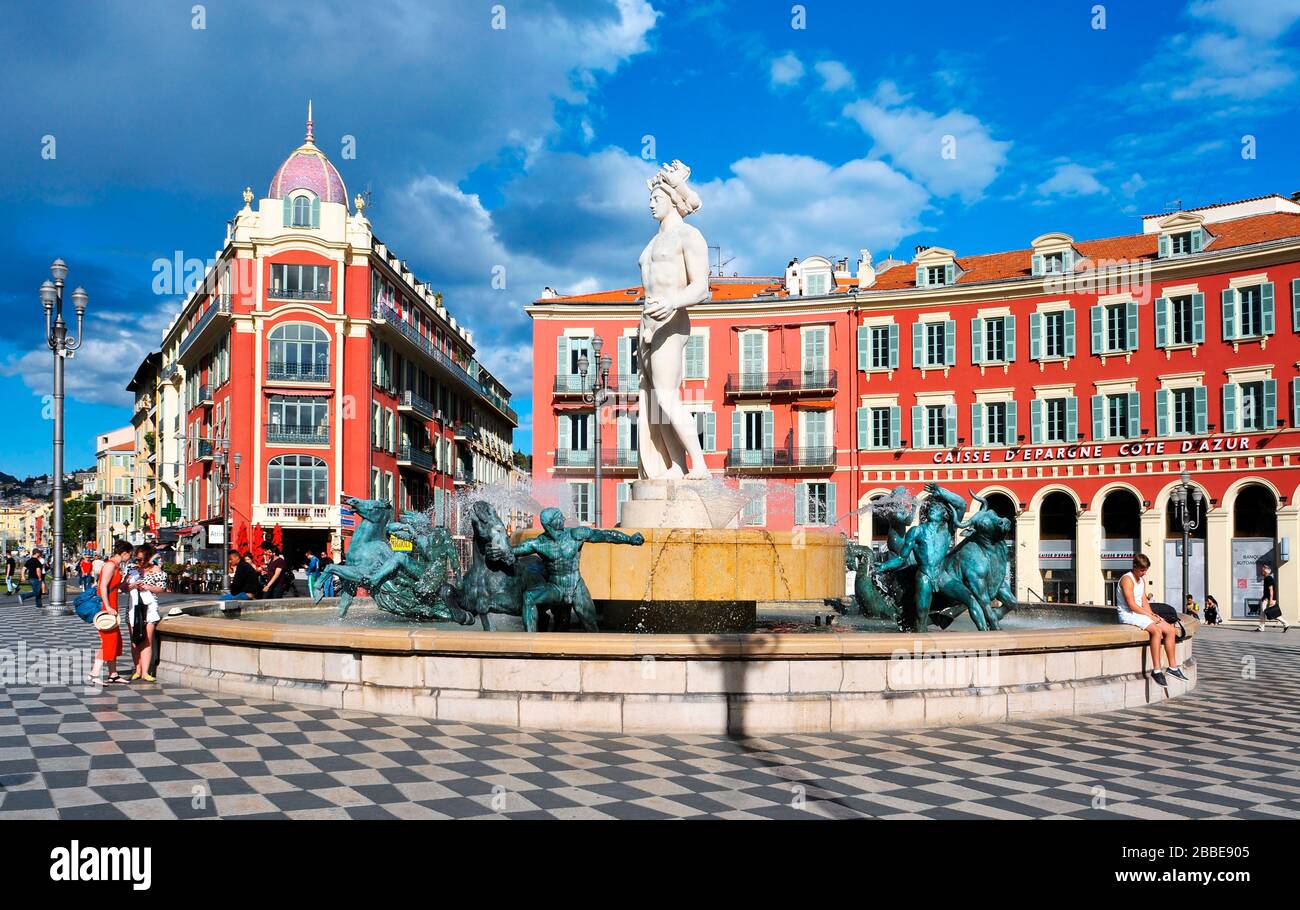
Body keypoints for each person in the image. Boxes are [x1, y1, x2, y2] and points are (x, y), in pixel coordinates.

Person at [1118, 554, 1187, 688]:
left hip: (1139, 612)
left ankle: (1173, 667)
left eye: (1146, 570)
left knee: (1171, 630)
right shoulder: (1127, 579)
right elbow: (1131, 605)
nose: (1144, 573)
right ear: (1135, 567)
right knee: (1156, 631)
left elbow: (1144, 601)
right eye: (1142, 570)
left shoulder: (1141, 581)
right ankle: (1156, 670)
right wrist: (1149, 617)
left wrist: (1152, 614)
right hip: (1128, 614)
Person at [88, 539, 132, 686]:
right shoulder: (110, 565)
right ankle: (94, 673)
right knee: (108, 641)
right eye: (129, 555)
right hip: (106, 606)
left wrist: (126, 583)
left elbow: (114, 586)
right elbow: (102, 587)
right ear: (124, 553)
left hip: (112, 605)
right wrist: (107, 607)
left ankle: (113, 674)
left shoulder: (117, 566)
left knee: (115, 641)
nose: (130, 558)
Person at [127, 544, 168, 682]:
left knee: (146, 639)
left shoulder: (156, 570)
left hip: (149, 607)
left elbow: (162, 588)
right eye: (137, 559)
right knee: (135, 641)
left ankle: (146, 672)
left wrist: (148, 587)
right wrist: (132, 585)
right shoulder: (132, 570)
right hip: (133, 607)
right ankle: (137, 670)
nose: (139, 562)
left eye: (142, 560)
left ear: (148, 558)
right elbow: (122, 587)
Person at [1254, 563, 1288, 632]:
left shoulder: (1268, 579)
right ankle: (1286, 624)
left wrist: (1271, 600)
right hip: (1267, 598)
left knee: (1268, 613)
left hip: (1268, 599)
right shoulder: (1268, 578)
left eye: (1263, 571)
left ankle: (1261, 628)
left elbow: (1271, 590)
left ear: (1266, 572)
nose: (1262, 572)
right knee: (1271, 613)